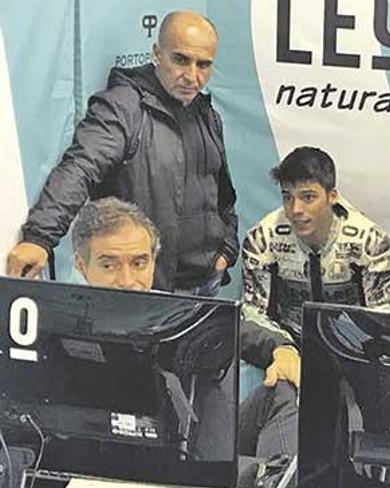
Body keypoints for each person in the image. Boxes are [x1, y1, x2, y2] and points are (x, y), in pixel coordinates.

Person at [70, 197, 298, 488]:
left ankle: (276, 483)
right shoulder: (60, 326)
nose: (127, 280)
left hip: (199, 451)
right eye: (109, 265)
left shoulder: (175, 312)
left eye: (139, 263)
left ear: (153, 262)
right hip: (121, 467)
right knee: (253, 476)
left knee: (281, 391)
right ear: (81, 265)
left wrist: (282, 348)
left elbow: (239, 329)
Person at [6, 11, 238, 294]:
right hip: (145, 289)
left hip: (206, 285)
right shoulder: (124, 108)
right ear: (157, 53)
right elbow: (80, 168)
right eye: (180, 59)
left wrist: (226, 250)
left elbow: (222, 193)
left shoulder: (206, 112)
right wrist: (40, 237)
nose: (192, 76)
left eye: (203, 65)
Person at [239, 146, 390, 472]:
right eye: (287, 197)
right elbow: (251, 314)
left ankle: (374, 474)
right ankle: (269, 475)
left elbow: (381, 316)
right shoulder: (262, 237)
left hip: (351, 350)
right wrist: (281, 351)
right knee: (271, 387)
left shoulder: (368, 240)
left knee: (383, 390)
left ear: (332, 196)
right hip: (287, 348)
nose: (296, 209)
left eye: (308, 197)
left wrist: (346, 360)